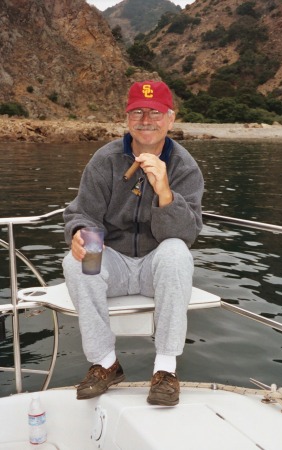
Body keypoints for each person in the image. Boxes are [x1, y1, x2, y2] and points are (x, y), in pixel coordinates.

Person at [63, 80, 204, 406]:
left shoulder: (185, 167)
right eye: (137, 111)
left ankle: (166, 369)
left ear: (171, 118)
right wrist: (79, 233)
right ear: (127, 119)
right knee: (76, 260)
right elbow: (83, 212)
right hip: (116, 262)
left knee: (175, 252)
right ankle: (106, 363)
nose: (145, 119)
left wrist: (165, 192)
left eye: (154, 112)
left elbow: (187, 234)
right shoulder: (105, 160)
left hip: (158, 267)